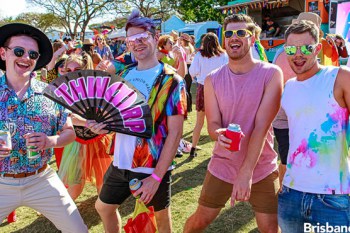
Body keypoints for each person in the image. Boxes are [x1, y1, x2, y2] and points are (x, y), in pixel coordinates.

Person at [90, 10, 187, 233]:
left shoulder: (172, 80)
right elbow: (115, 117)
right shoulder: (124, 75)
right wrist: (102, 127)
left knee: (160, 219)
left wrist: (156, 177)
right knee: (103, 207)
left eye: (142, 37)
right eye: (131, 40)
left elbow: (175, 133)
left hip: (152, 164)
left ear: (155, 38)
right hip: (120, 162)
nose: (137, 43)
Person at [184, 14, 282, 233]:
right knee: (200, 221)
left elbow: (261, 127)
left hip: (262, 167)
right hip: (223, 165)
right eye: (229, 33)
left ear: (254, 37)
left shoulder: (271, 74)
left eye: (241, 33)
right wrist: (218, 133)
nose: (234, 38)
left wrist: (246, 173)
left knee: (270, 228)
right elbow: (213, 124)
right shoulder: (212, 79)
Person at [0, 23, 87, 232]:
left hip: (41, 180)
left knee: (78, 230)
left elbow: (69, 132)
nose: (26, 58)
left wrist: (51, 141)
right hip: (1, 183)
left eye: (33, 54)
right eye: (19, 51)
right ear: (3, 53)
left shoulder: (50, 93)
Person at [278, 20, 350, 232]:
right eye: (292, 48)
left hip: (333, 198)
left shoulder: (339, 77)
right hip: (290, 194)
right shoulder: (288, 88)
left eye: (306, 48)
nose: (298, 54)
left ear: (318, 48)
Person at [57, 53, 114, 201]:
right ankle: (63, 216)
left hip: (100, 140)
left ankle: (106, 213)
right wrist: (87, 123)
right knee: (75, 186)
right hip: (77, 142)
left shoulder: (97, 87)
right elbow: (68, 117)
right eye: (69, 70)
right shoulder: (65, 90)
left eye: (77, 69)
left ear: (86, 68)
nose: (73, 73)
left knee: (104, 187)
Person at [188, 32, 228, 157]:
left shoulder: (199, 55)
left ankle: (193, 149)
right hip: (219, 88)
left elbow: (192, 72)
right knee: (220, 122)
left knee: (199, 122)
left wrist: (200, 75)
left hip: (203, 87)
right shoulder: (223, 55)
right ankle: (220, 150)